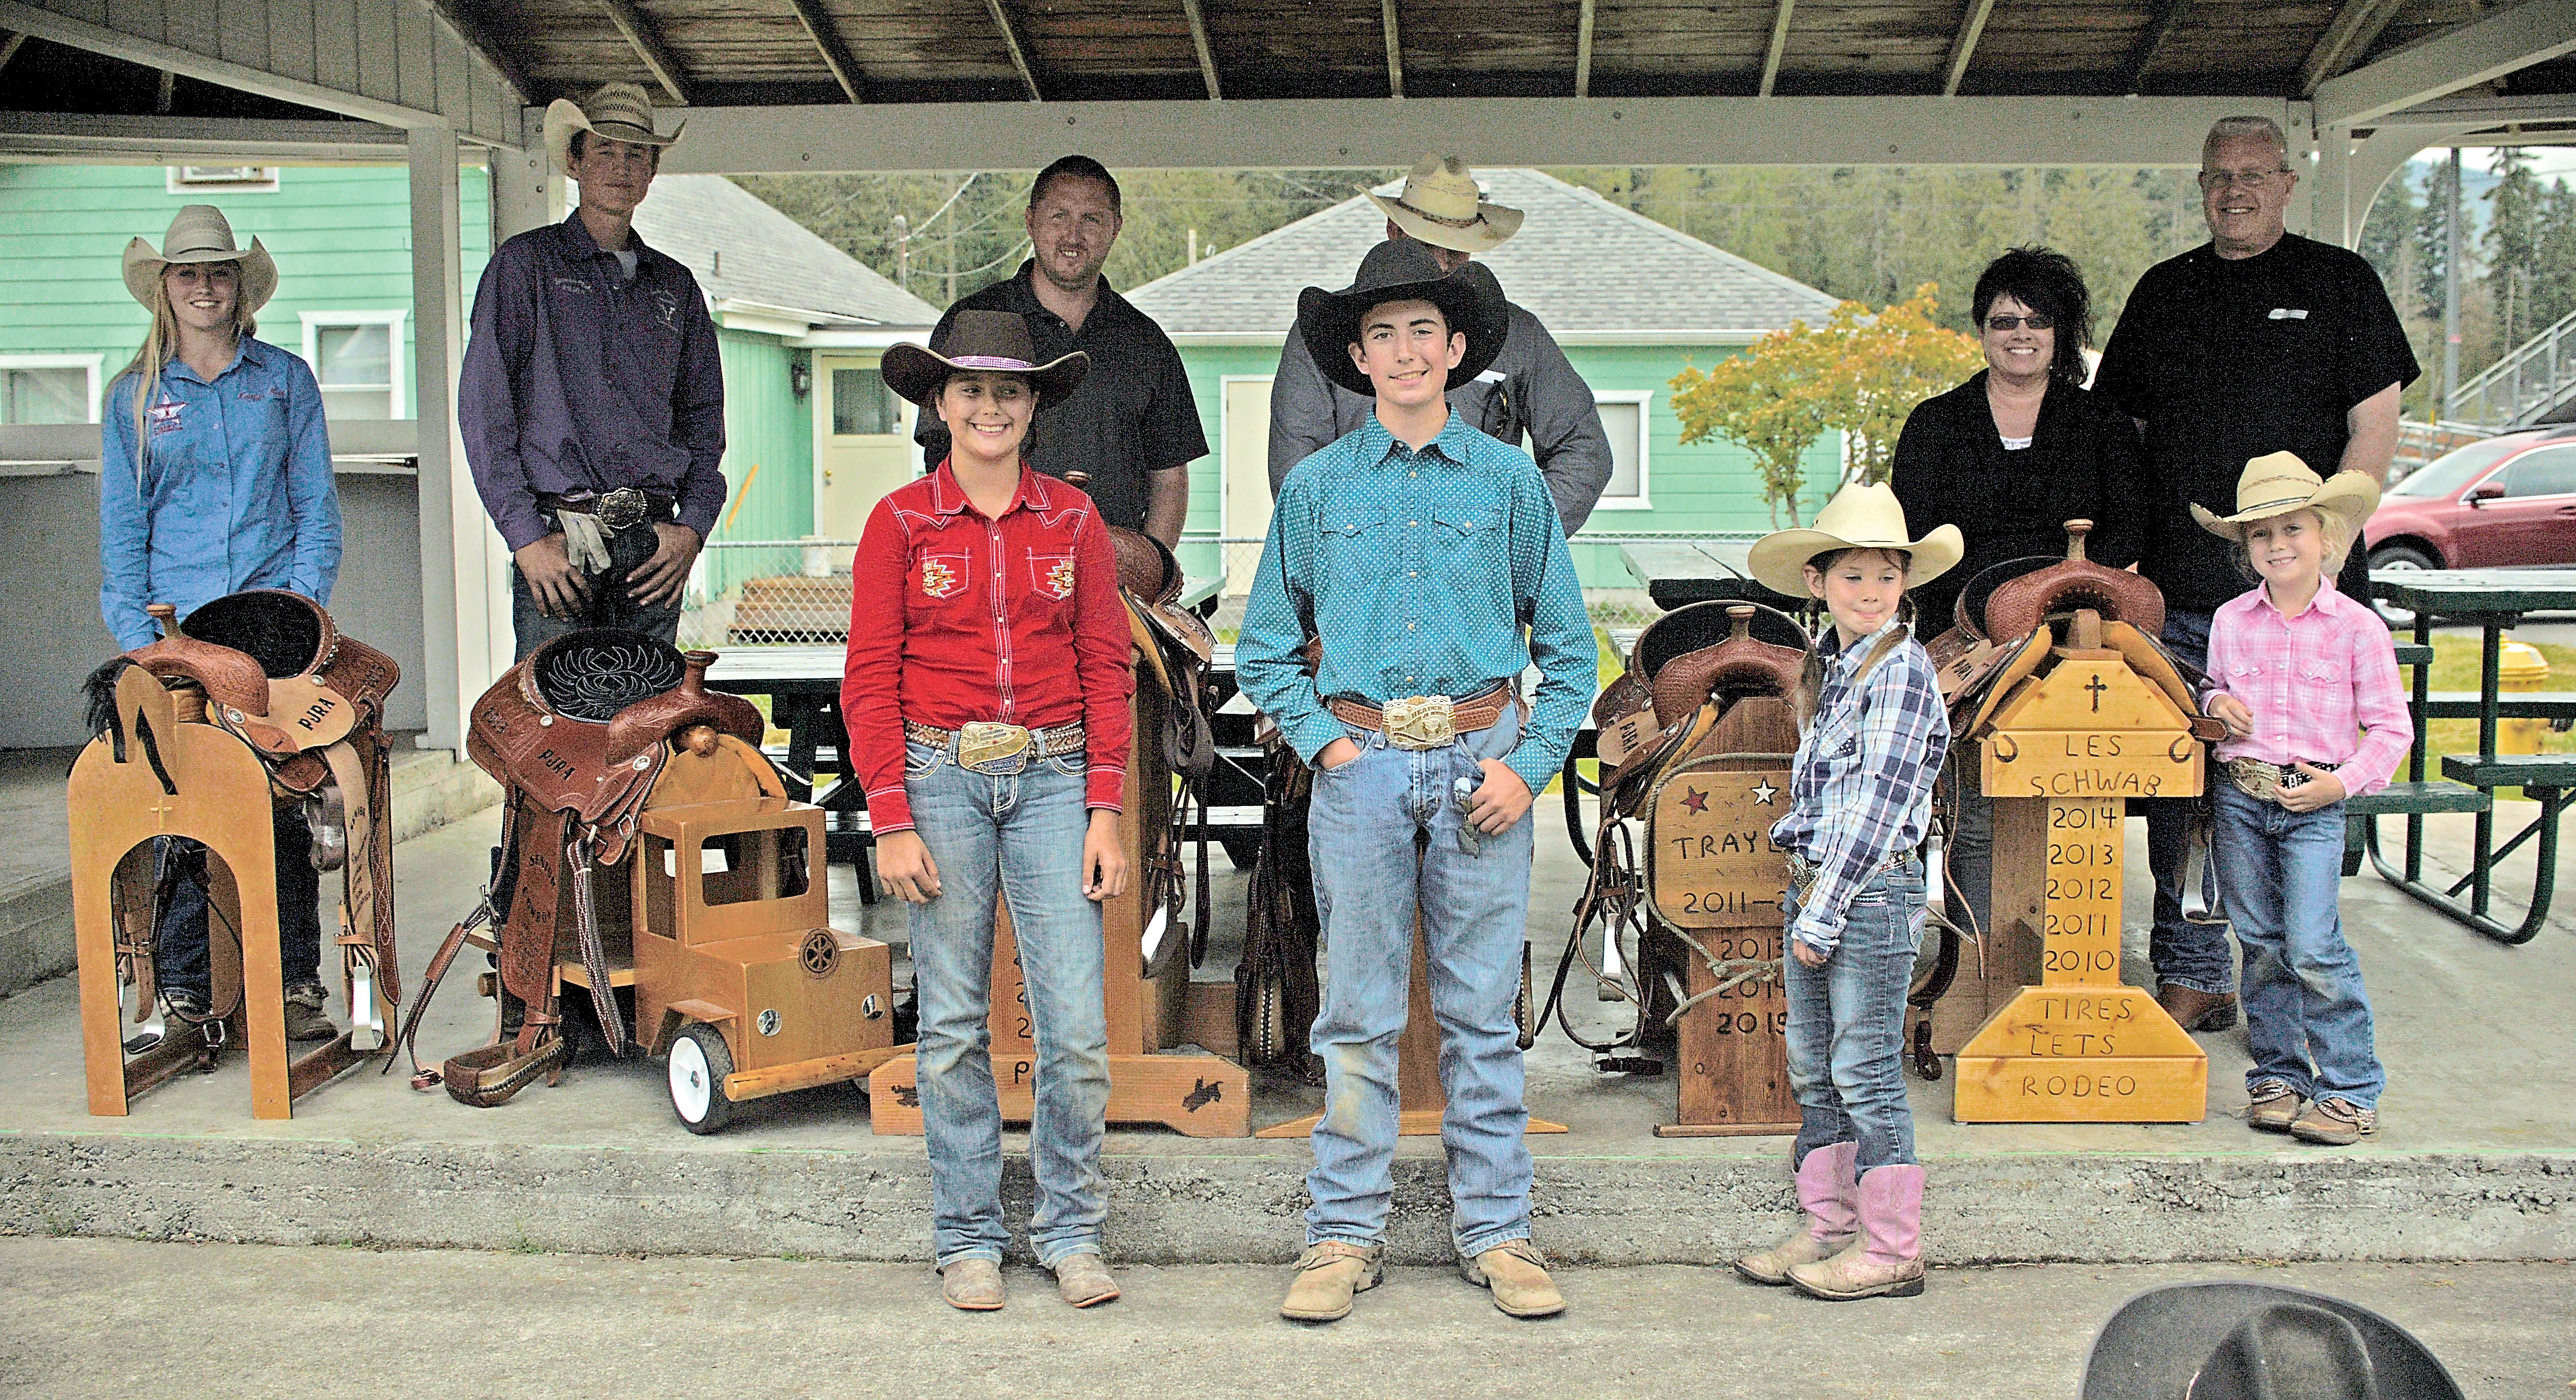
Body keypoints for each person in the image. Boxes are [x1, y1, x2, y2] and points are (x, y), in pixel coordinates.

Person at [1235, 253, 1595, 1324]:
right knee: (1355, 1011)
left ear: (1457, 350)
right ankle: (1344, 1233)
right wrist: (1330, 749)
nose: (1404, 352)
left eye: (1423, 332)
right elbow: (1264, 650)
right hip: (1363, 760)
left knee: (1480, 1011)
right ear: (1357, 357)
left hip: (1483, 757)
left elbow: (1570, 652)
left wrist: (1528, 768)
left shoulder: (1510, 484)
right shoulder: (1315, 488)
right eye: (1383, 334)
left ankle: (1498, 1228)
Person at [2093, 114, 2418, 1036]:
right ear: (2202, 187)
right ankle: (2194, 967)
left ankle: (2293, 976)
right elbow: (2122, 435)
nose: (2235, 190)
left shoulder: (2342, 284)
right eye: (2219, 176)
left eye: (2253, 174)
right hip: (2185, 595)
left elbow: (2375, 425)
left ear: (2287, 183)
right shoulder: (2164, 292)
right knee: (2184, 795)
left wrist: (2335, 549)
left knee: (2295, 794)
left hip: (2302, 598)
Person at [841, 310, 1133, 1312]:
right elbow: (870, 676)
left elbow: (1105, 664)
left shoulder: (1074, 522)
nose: (990, 408)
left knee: (1075, 1025)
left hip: (1053, 776)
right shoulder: (899, 523)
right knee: (955, 1021)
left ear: (1035, 405)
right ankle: (967, 1235)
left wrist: (1104, 808)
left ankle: (1071, 1229)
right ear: (940, 402)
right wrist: (891, 816)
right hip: (940, 776)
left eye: (1010, 391)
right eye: (970, 389)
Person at [100, 204, 340, 1043]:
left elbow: (316, 509)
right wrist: (143, 643)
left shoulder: (285, 380)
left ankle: (294, 979)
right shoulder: (134, 397)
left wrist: (297, 613)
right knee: (179, 801)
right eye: (188, 273)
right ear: (164, 288)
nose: (204, 287)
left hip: (271, 623)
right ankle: (185, 986)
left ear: (240, 286)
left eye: (218, 272)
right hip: (176, 631)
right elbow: (122, 530)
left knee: (282, 791)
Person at [1735, 482, 1959, 1302]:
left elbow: (1879, 809)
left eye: (1887, 577)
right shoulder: (1835, 666)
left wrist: (1821, 911)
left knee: (1863, 1067)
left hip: (1865, 891)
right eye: (1854, 576)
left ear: (1905, 583)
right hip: (1822, 885)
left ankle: (1894, 1246)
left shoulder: (1900, 673)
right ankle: (1829, 1223)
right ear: (1818, 581)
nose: (1871, 592)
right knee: (1815, 1064)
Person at [1889, 246, 2145, 945]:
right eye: (2005, 320)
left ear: (2062, 332)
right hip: (1963, 645)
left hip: (2075, 645)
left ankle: (2068, 954)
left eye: (2038, 320)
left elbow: (2129, 531)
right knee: (1972, 811)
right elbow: (1911, 540)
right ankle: (1972, 960)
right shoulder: (1935, 423)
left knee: (2075, 804)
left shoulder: (2102, 425)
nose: (2021, 334)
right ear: (1981, 330)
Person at [460, 80, 726, 659]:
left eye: (636, 154)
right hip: (559, 537)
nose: (621, 167)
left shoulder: (676, 286)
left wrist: (692, 527)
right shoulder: (525, 266)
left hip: (652, 545)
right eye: (604, 150)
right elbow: (485, 411)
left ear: (652, 171)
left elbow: (704, 421)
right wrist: (526, 538)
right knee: (552, 707)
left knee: (647, 706)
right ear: (575, 162)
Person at [2189, 453, 2408, 1147]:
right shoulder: (2232, 619)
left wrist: (2342, 783)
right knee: (2259, 941)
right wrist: (2216, 704)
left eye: (2293, 529)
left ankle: (2350, 1087)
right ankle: (2279, 1073)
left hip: (2314, 801)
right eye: (2261, 533)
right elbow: (2212, 690)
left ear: (2326, 536)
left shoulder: (2357, 627)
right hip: (2242, 797)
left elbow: (2392, 728)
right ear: (2245, 547)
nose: (2277, 544)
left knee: (2312, 942)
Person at [1268, 154, 1614, 536]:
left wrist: (1508, 539)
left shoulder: (1518, 334)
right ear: (1393, 231)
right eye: (1430, 242)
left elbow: (1584, 450)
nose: (1445, 261)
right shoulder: (1324, 333)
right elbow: (1297, 477)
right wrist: (1361, 544)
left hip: (1486, 568)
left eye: (1459, 247)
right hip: (1357, 563)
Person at [915, 157, 1205, 547]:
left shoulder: (1147, 343)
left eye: (1091, 219)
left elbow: (1170, 477)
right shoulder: (971, 323)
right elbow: (938, 461)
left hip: (1112, 571)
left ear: (1116, 228)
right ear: (1030, 220)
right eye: (1059, 217)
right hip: (994, 566)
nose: (1073, 236)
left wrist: (1150, 568)